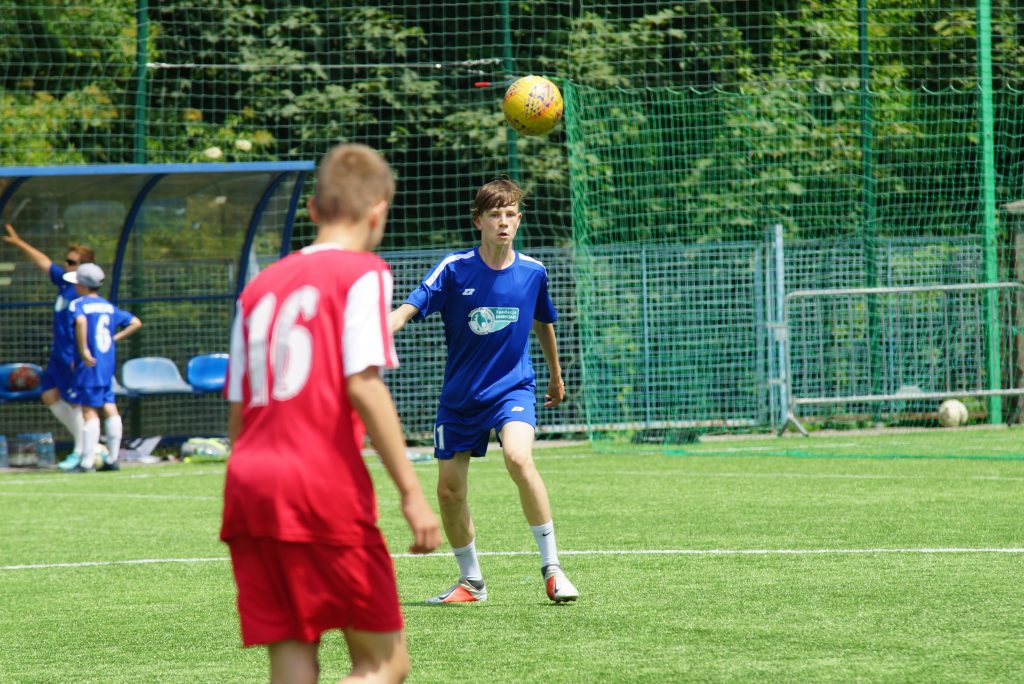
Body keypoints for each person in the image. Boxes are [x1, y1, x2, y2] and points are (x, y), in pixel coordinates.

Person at [221, 143, 441, 684]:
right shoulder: (362, 272)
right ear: (379, 211)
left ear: (313, 209)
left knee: (293, 656)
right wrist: (412, 493)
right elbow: (362, 384)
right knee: (384, 664)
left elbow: (238, 410)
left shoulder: (257, 288)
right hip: (317, 483)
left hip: (250, 485)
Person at [389, 178, 579, 604]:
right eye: (495, 215)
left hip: (513, 388)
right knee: (449, 491)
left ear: (519, 219)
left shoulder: (533, 272)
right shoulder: (454, 268)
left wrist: (555, 374)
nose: (503, 222)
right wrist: (380, 328)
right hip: (460, 398)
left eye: (510, 214)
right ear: (478, 221)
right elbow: (409, 307)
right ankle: (472, 582)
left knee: (518, 457)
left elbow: (543, 321)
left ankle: (553, 569)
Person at [2, 223, 93, 465]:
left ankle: (82, 451)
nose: (67, 265)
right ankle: (88, 444)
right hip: (58, 355)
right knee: (50, 395)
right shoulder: (65, 283)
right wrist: (19, 242)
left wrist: (80, 354)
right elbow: (44, 263)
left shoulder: (83, 293)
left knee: (76, 402)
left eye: (72, 262)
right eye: (67, 261)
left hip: (73, 355)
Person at [65, 263, 142, 472]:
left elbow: (81, 322)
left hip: (89, 364)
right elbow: (136, 322)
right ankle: (113, 459)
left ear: (82, 285)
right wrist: (114, 338)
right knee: (109, 406)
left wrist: (83, 350)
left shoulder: (78, 304)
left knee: (88, 409)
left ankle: (87, 462)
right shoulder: (107, 306)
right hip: (107, 363)